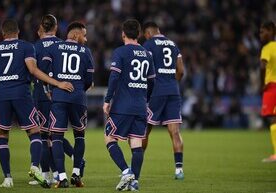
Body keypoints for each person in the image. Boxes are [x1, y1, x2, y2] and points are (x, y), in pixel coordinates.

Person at [0, 19, 74, 188]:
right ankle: (35, 167)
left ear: (3, 33)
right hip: (22, 94)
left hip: (2, 95)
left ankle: (7, 178)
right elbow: (33, 70)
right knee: (35, 132)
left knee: (2, 135)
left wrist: (5, 82)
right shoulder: (26, 46)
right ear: (18, 31)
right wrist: (57, 83)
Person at [31, 14, 85, 185]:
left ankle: (49, 174)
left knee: (46, 136)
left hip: (44, 94)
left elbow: (35, 71)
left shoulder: (35, 47)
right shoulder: (63, 45)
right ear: (55, 27)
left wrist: (47, 87)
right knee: (57, 135)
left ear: (41, 27)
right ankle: (74, 161)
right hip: (63, 93)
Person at [103, 19, 155, 191]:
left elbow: (114, 78)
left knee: (109, 137)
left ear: (123, 34)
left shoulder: (120, 52)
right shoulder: (147, 54)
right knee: (136, 143)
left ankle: (126, 172)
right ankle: (134, 182)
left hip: (122, 105)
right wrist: (144, 99)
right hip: (140, 106)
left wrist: (107, 100)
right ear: (139, 34)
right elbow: (152, 82)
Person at [42, 21, 94, 188]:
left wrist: (49, 88)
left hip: (59, 98)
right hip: (78, 99)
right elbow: (89, 81)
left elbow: (42, 71)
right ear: (76, 35)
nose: (85, 39)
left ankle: (62, 178)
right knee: (79, 136)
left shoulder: (54, 48)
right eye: (84, 35)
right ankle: (76, 175)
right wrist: (79, 89)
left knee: (56, 137)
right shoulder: (86, 52)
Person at [142, 21, 185, 179]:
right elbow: (181, 70)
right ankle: (179, 170)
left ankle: (136, 166)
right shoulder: (173, 44)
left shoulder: (148, 44)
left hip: (156, 92)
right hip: (173, 91)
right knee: (174, 132)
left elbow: (144, 70)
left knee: (145, 129)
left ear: (148, 33)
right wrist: (172, 83)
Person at [259, 21, 276, 162]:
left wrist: (261, 84)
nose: (261, 35)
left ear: (271, 31)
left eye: (263, 31)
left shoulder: (267, 48)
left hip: (272, 86)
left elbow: (262, 67)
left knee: (273, 119)